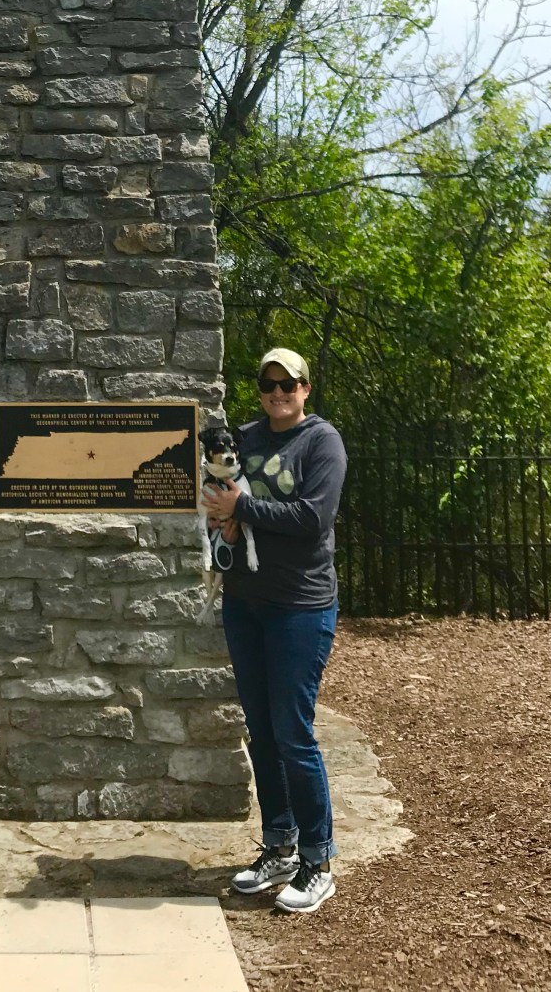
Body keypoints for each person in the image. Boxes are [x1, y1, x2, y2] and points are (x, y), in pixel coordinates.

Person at [202, 346, 348, 914]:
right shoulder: (243, 438)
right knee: (261, 733)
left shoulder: (321, 442)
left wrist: (244, 506)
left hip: (301, 607)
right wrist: (226, 523)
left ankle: (319, 860)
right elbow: (222, 508)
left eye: (287, 385)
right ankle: (281, 846)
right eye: (268, 386)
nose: (277, 395)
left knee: (294, 734)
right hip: (246, 604)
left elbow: (315, 518)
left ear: (305, 388)